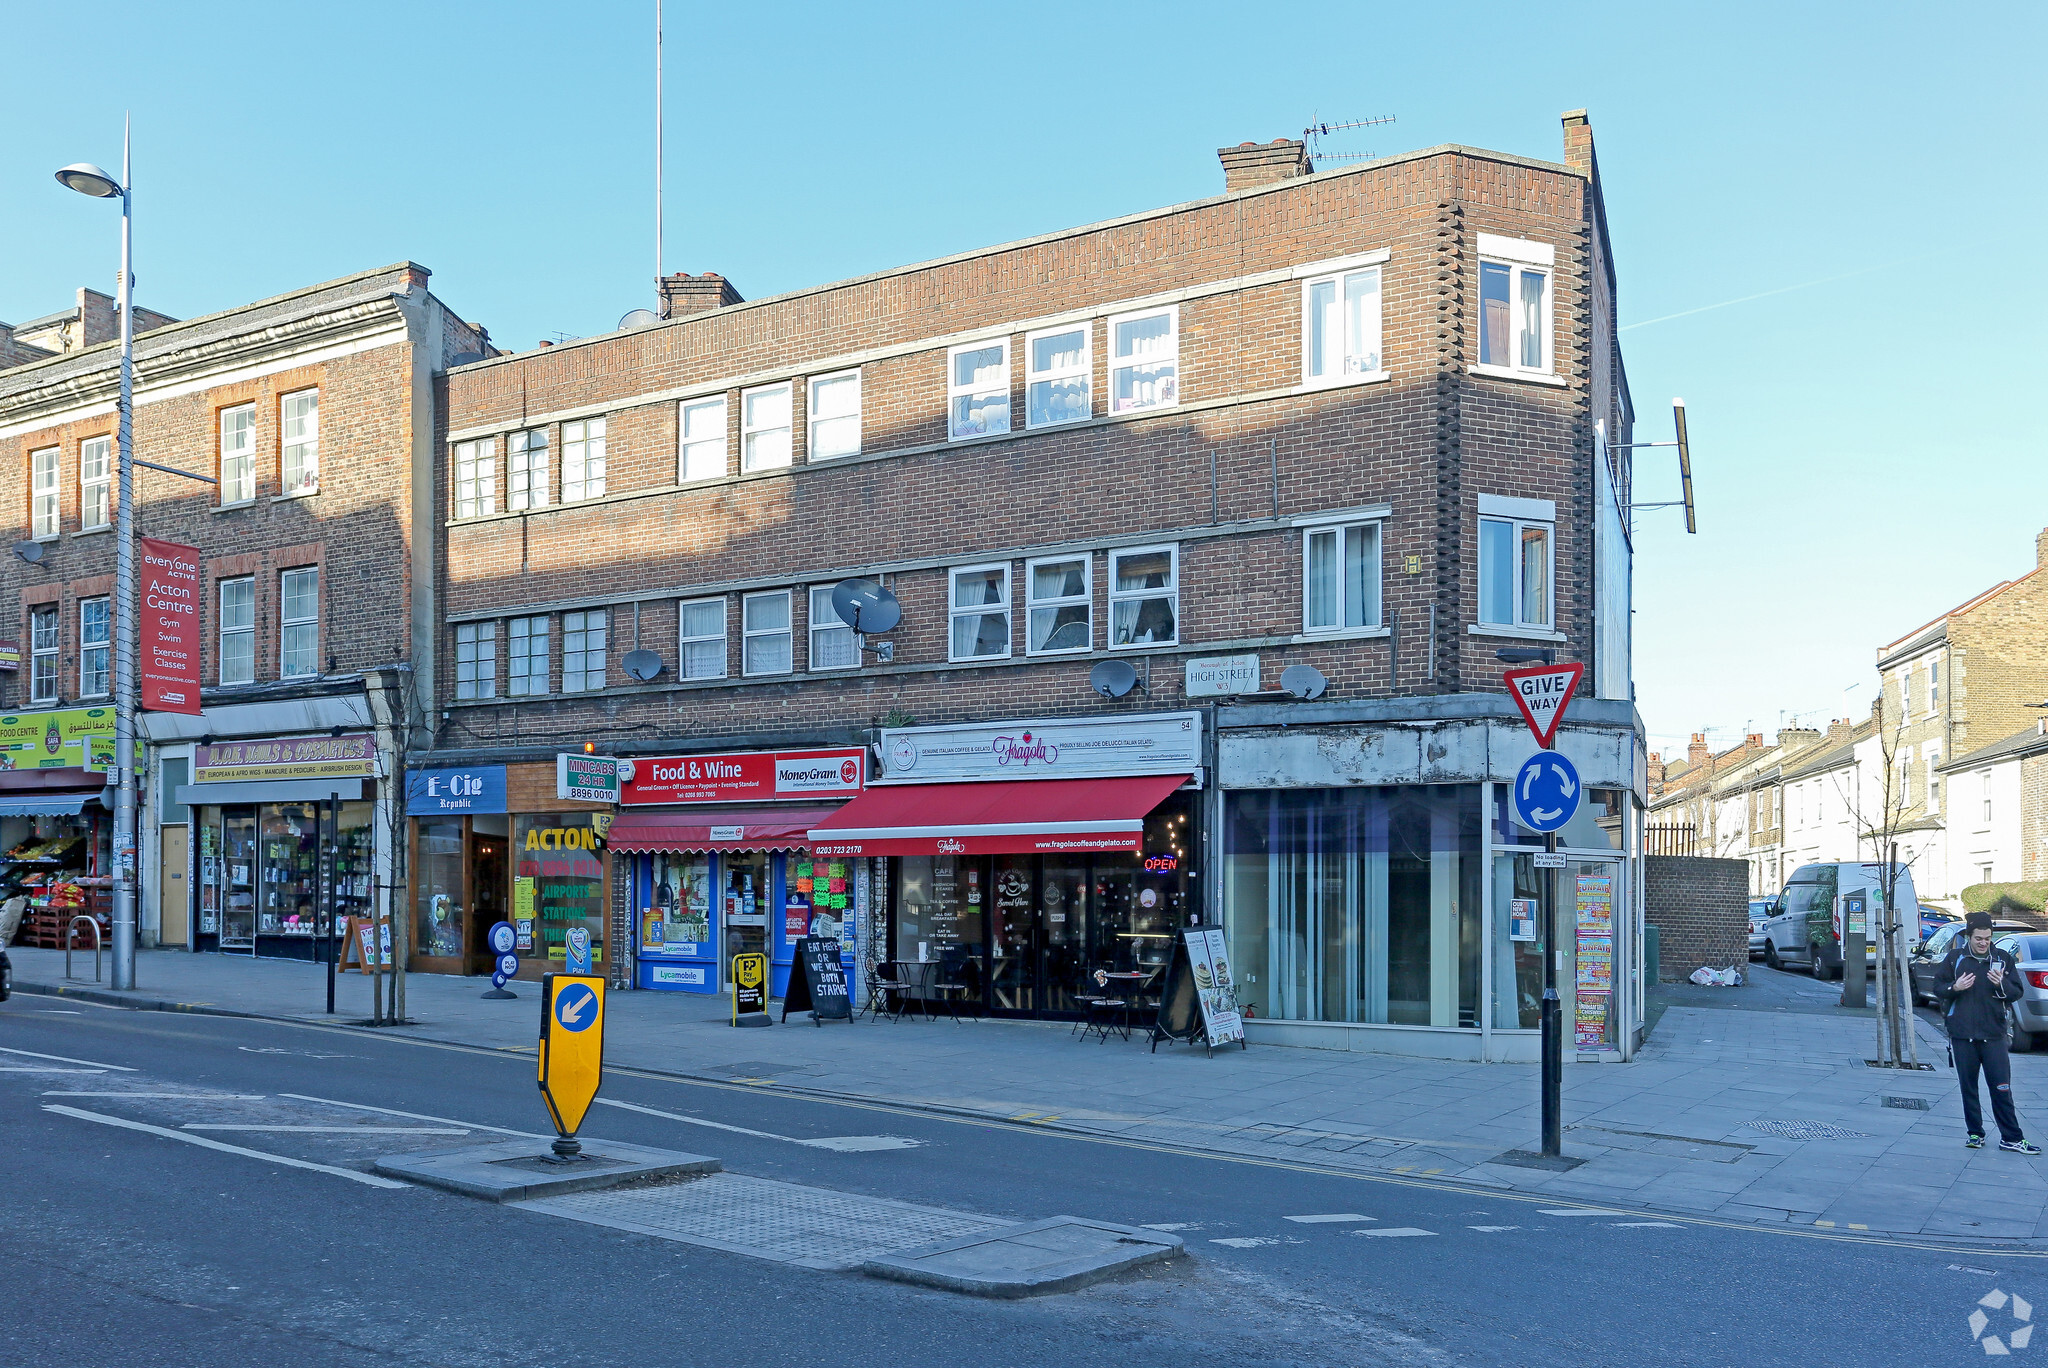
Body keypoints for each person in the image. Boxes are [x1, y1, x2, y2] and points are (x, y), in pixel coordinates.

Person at [1935, 912, 2043, 1154]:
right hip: (1963, 1035)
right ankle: (1975, 1133)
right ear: (1969, 937)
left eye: (1987, 938)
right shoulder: (1955, 959)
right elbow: (1938, 987)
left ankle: (2011, 1138)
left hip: (1994, 1035)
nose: (1983, 942)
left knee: (2001, 1088)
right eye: (1978, 938)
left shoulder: (2003, 959)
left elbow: (2015, 992)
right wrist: (1955, 987)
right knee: (1968, 1088)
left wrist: (2000, 984)